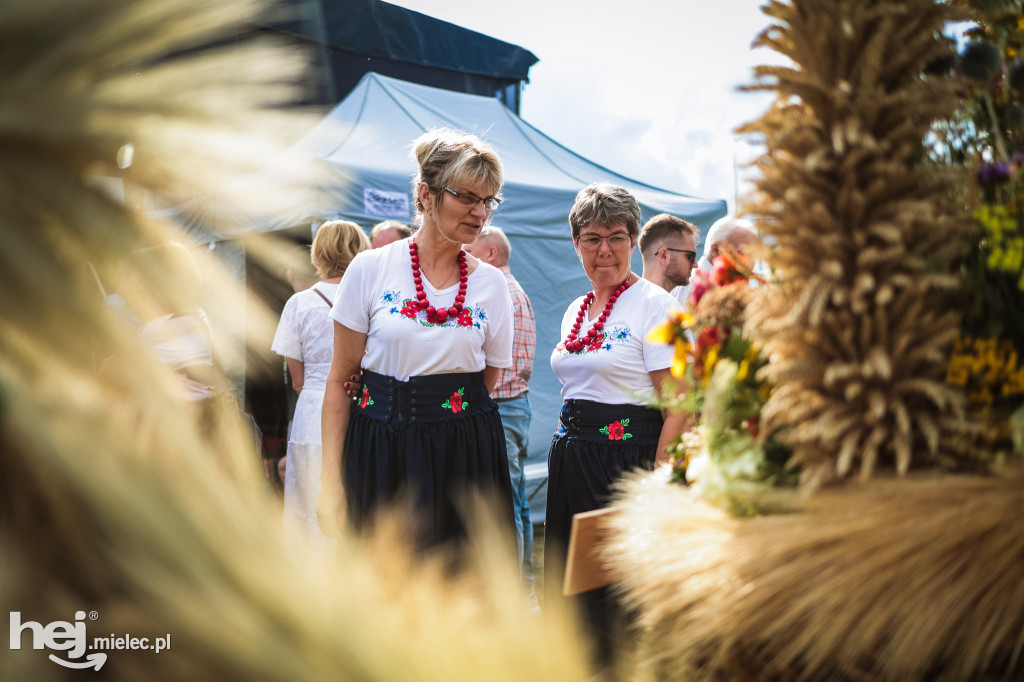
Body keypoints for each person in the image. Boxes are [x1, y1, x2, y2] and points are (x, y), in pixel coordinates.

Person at [319, 128, 515, 558]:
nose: (480, 213)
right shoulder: (369, 269)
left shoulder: (491, 285)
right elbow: (339, 381)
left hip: (463, 451)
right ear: (426, 195)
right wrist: (330, 482)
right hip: (380, 448)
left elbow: (488, 378)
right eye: (467, 197)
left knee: (461, 592)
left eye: (488, 201)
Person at [546, 183, 689, 667]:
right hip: (572, 462)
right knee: (574, 603)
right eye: (591, 238)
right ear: (576, 244)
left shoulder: (655, 306)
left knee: (620, 603)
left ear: (633, 242)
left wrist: (661, 483)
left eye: (616, 236)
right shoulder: (574, 310)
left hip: (625, 465)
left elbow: (680, 406)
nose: (604, 249)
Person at [272, 221, 370, 552]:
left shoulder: (298, 304)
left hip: (312, 409)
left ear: (319, 252)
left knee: (307, 493)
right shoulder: (367, 299)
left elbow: (297, 380)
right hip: (358, 404)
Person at [463, 225, 538, 605]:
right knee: (518, 498)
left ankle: (514, 587)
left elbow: (497, 367)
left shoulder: (499, 291)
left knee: (505, 498)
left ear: (490, 253)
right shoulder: (517, 290)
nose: (463, 249)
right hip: (516, 405)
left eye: (471, 244)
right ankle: (523, 582)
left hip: (502, 405)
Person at [637, 213, 699, 292]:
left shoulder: (625, 298)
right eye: (690, 256)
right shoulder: (666, 303)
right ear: (664, 256)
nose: (695, 265)